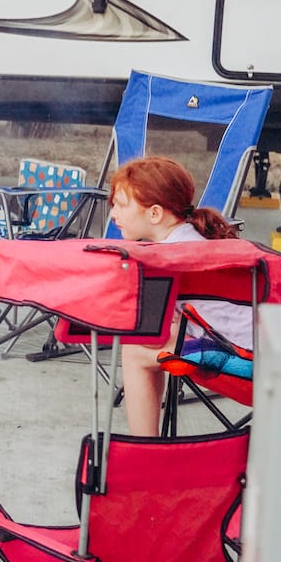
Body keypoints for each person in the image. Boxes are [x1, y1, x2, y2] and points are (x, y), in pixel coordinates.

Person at [108, 155, 248, 436]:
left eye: (121, 205)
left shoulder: (165, 258)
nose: (113, 214)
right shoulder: (202, 240)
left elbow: (155, 332)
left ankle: (144, 449)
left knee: (137, 348)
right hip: (268, 352)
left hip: (250, 366)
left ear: (155, 214)